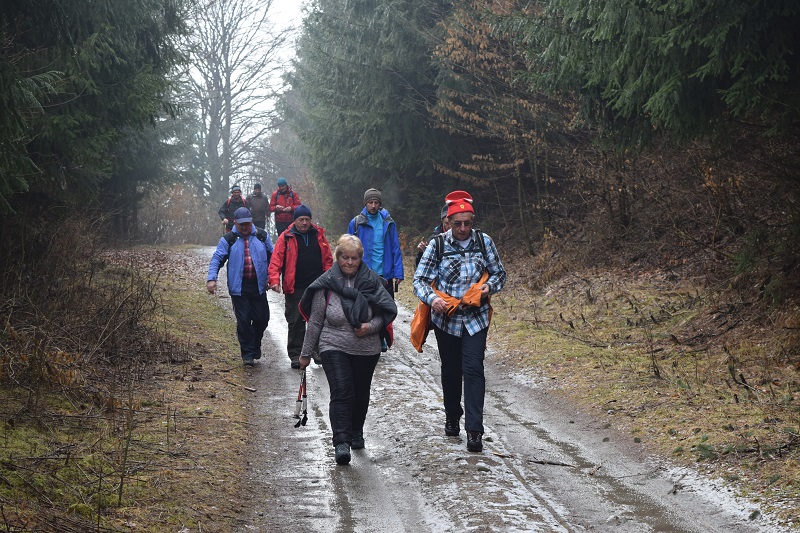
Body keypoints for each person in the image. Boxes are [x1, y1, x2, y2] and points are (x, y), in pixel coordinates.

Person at [413, 191, 506, 453]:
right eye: (457, 224)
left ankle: (475, 431)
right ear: (448, 223)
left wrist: (488, 287)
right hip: (447, 319)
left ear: (473, 221)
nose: (463, 228)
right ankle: (452, 415)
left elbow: (500, 274)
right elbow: (420, 281)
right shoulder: (438, 245)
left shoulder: (484, 242)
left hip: (476, 318)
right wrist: (433, 299)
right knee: (452, 371)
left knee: (474, 369)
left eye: (467, 223)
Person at [298, 234, 397, 465]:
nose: (349, 262)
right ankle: (341, 442)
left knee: (360, 393)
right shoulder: (326, 284)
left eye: (354, 258)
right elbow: (315, 322)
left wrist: (370, 327)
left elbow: (384, 314)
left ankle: (356, 430)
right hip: (333, 344)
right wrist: (305, 354)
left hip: (366, 348)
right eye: (345, 257)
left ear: (361, 259)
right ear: (337, 257)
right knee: (342, 391)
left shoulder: (373, 282)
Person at [268, 204, 333, 369]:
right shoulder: (286, 237)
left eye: (307, 219)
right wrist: (274, 280)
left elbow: (327, 259)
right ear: (295, 220)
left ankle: (317, 351)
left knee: (318, 319)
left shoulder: (318, 235)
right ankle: (296, 354)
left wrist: (330, 279)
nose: (304, 223)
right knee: (296, 321)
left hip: (317, 286)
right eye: (301, 220)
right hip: (295, 287)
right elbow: (276, 261)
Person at [207, 207, 274, 366]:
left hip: (258, 285)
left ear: (251, 221)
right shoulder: (228, 239)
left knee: (262, 319)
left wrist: (272, 277)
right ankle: (248, 353)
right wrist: (212, 279)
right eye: (241, 224)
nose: (245, 227)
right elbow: (217, 259)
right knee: (243, 320)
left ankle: (255, 344)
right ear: (235, 223)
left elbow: (274, 257)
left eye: (247, 223)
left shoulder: (262, 236)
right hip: (239, 287)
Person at [347, 188, 404, 298]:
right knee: (363, 307)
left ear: (379, 204)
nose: (373, 206)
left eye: (376, 202)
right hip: (363, 275)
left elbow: (395, 248)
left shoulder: (388, 223)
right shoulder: (355, 224)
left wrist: (398, 272)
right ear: (365, 203)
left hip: (385, 276)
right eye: (370, 202)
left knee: (387, 307)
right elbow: (347, 250)